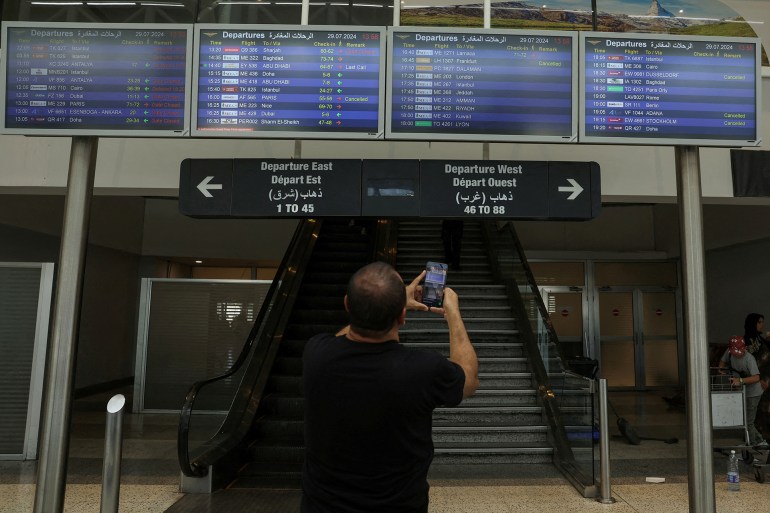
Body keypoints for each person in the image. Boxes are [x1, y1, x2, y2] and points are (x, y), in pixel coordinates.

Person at [301, 261, 479, 513]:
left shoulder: (316, 355)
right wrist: (452, 312)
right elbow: (469, 380)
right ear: (403, 317)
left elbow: (343, 336)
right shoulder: (424, 370)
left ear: (347, 305)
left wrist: (391, 303)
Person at [719, 335, 768, 448]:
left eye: (741, 350)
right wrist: (721, 369)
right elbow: (722, 361)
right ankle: (760, 441)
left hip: (753, 392)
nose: (739, 353)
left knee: (748, 422)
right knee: (745, 420)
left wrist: (740, 380)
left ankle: (751, 445)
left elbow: (756, 378)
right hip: (741, 391)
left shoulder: (749, 358)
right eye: (736, 351)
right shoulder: (729, 352)